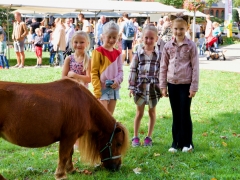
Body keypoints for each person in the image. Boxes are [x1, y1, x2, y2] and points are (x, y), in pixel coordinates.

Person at [160, 13, 199, 153]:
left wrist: (194, 87)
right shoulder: (167, 46)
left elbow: (195, 67)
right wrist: (163, 86)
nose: (178, 31)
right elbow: (163, 67)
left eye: (181, 29)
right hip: (172, 84)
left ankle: (187, 143)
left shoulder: (191, 46)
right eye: (176, 28)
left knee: (184, 113)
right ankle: (175, 143)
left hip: (186, 85)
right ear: (172, 28)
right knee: (176, 114)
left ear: (187, 28)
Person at [129, 24, 161, 147]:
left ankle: (149, 137)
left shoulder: (159, 54)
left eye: (151, 38)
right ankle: (135, 136)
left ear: (156, 39)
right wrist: (132, 86)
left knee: (152, 112)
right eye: (146, 38)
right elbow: (133, 70)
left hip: (153, 87)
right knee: (139, 113)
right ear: (142, 38)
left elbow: (162, 71)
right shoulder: (138, 53)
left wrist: (162, 87)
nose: (148, 40)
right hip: (140, 87)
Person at [91, 21, 123, 115]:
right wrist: (97, 90)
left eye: (114, 37)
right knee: (104, 115)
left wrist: (116, 81)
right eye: (109, 37)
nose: (112, 40)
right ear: (103, 36)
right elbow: (94, 72)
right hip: (101, 89)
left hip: (114, 89)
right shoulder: (98, 52)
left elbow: (121, 71)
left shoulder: (118, 53)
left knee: (110, 117)